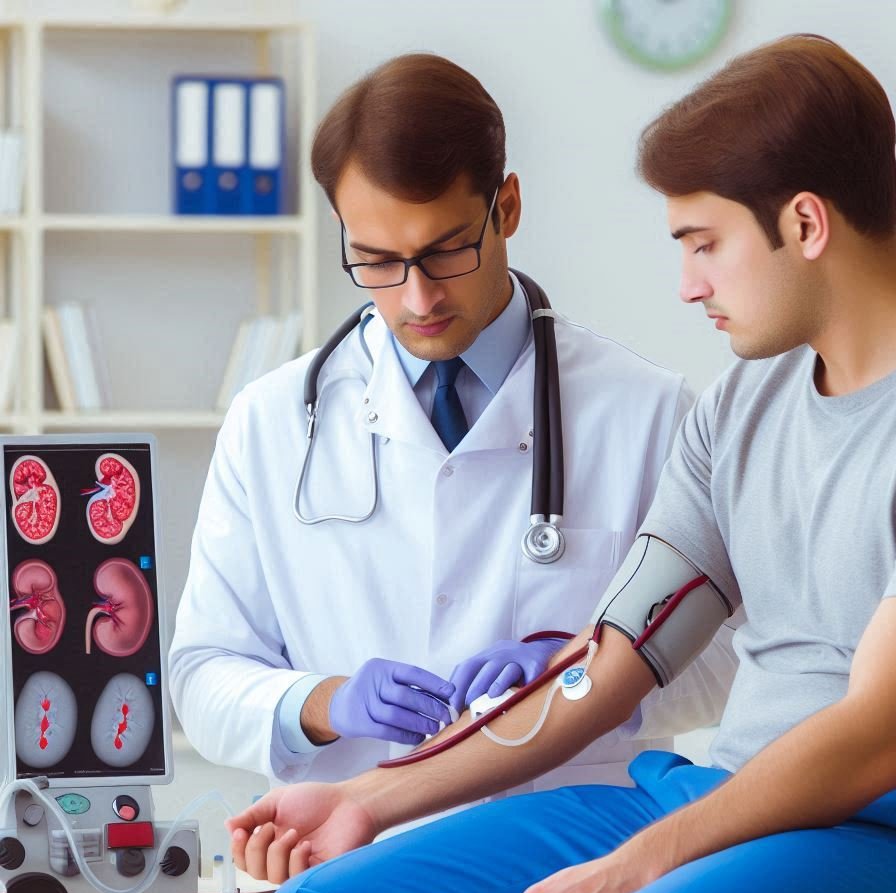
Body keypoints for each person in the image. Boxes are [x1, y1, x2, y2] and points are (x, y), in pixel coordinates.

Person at [229, 34, 896, 893]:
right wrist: (369, 799)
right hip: (721, 796)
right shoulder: (744, 406)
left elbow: (882, 737)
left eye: (701, 242)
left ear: (805, 222)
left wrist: (634, 866)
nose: (688, 283)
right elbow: (606, 661)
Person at [168, 53, 737, 795]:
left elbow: (732, 660)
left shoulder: (648, 411)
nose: (417, 298)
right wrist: (323, 702)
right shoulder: (272, 423)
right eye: (376, 260)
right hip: (350, 860)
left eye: (445, 251)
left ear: (506, 209)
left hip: (574, 862)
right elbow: (202, 675)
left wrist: (588, 673)